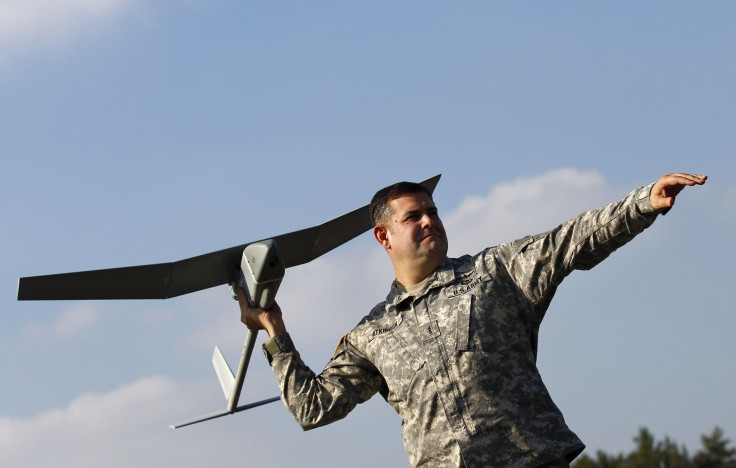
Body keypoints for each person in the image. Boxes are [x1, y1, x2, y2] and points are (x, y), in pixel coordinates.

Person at [238, 173, 707, 468]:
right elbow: (313, 407)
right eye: (413, 217)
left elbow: (569, 241)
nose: (429, 222)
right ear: (383, 236)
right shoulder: (371, 335)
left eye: (433, 213)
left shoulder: (494, 273)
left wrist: (642, 203)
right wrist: (275, 329)